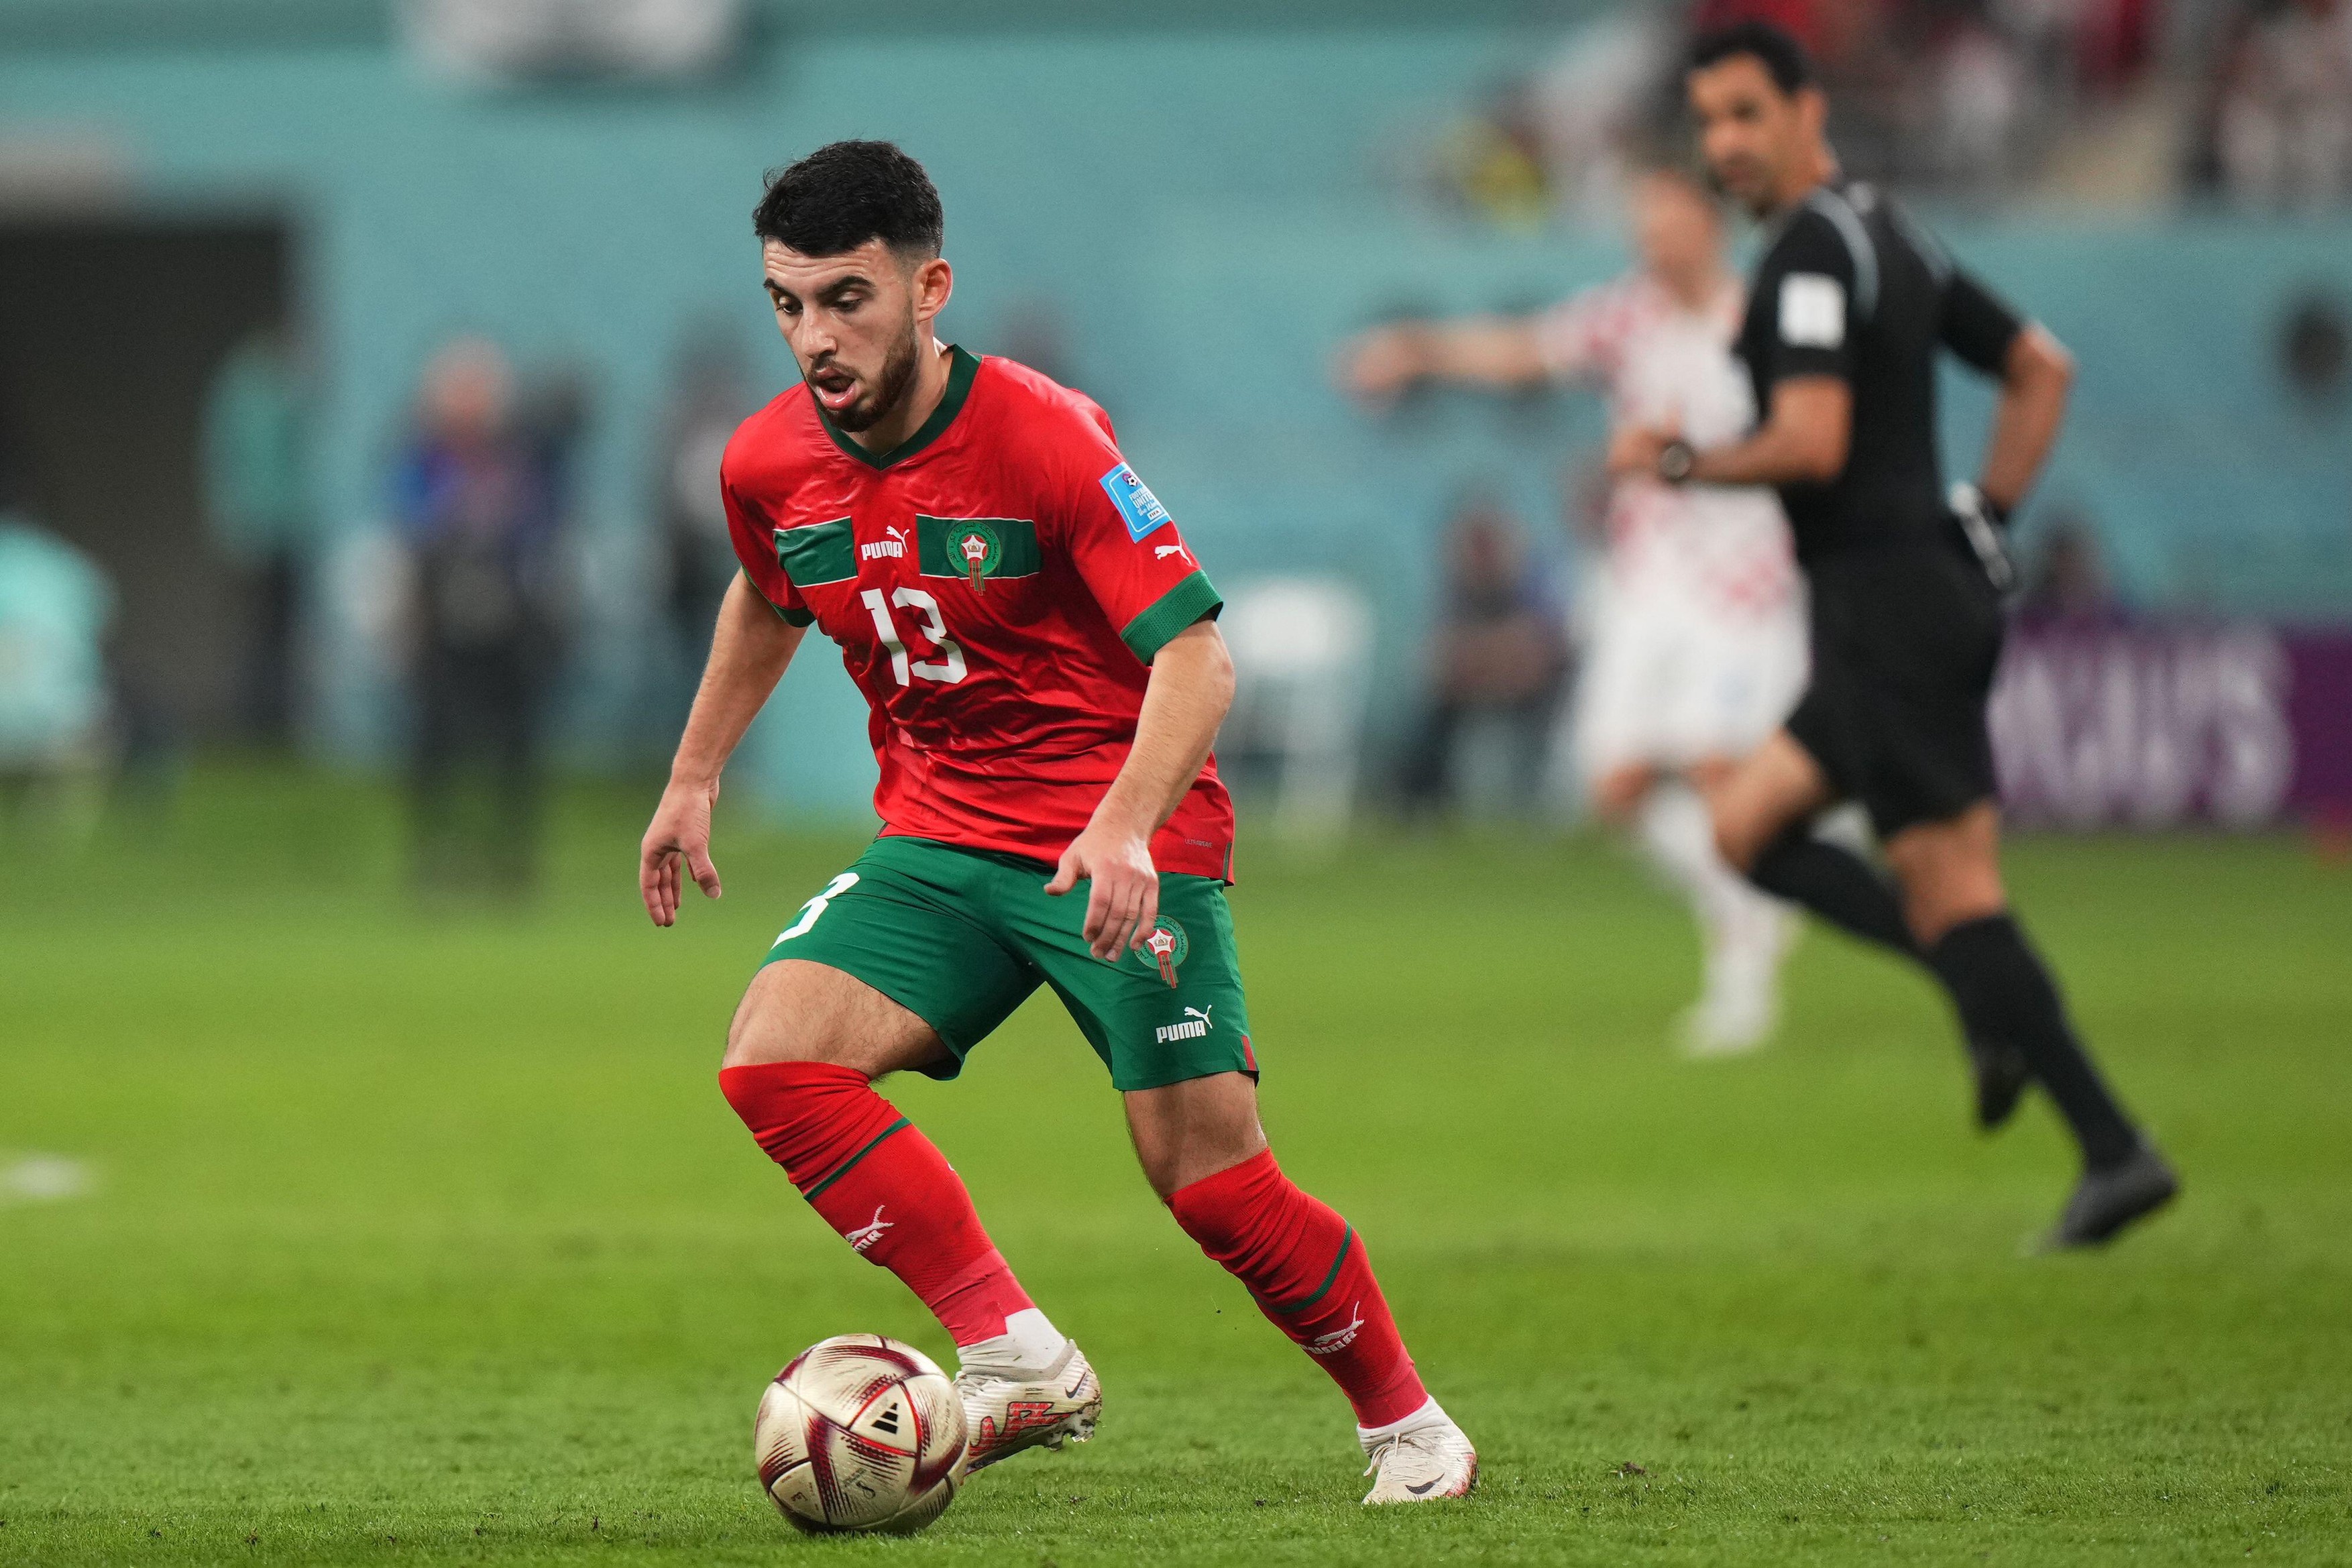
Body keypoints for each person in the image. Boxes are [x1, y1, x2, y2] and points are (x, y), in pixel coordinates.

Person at [636, 142, 1477, 1503]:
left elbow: (1200, 654)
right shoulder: (766, 459)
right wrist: (692, 774)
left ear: (930, 289)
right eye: (786, 303)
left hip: (1117, 838)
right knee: (772, 1059)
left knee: (1205, 1179)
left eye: (846, 298)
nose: (813, 337)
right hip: (938, 838)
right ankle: (1013, 1349)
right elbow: (762, 593)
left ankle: (1409, 1424)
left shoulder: (1040, 435)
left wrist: (1130, 827)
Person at [1616, 21, 2177, 1249]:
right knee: (1745, 822)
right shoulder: (1889, 225)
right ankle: (1984, 1005)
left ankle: (2110, 1141)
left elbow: (1813, 442)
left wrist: (1676, 459)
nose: (1725, 144)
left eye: (1747, 114)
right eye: (1708, 122)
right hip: (1907, 599)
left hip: (1884, 610)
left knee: (1954, 889)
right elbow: (2038, 367)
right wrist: (1989, 511)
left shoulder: (1810, 254)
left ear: (1809, 109)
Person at [1341, 167, 1805, 1054]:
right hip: (1647, 580)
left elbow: (1812, 439)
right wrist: (1414, 348)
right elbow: (1521, 349)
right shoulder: (1627, 316)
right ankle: (1746, 898)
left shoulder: (1762, 323)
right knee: (1613, 782)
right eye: (1642, 225)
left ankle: (1740, 974)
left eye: (1666, 223)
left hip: (1743, 585)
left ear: (1708, 225)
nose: (1652, 241)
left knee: (1715, 771)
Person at [392, 338, 567, 892]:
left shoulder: (521, 458)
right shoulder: (422, 459)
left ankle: (511, 860)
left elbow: (544, 525)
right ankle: (437, 854)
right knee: (434, 744)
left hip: (509, 620)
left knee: (515, 744)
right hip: (442, 619)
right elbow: (408, 525)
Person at [1394, 498, 1569, 820]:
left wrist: (1484, 656)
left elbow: (1537, 653)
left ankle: (1530, 809)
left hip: (1532, 692)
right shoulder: (1458, 588)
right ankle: (1422, 810)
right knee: (1432, 719)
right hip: (1475, 687)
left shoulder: (1530, 583)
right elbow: (1439, 655)